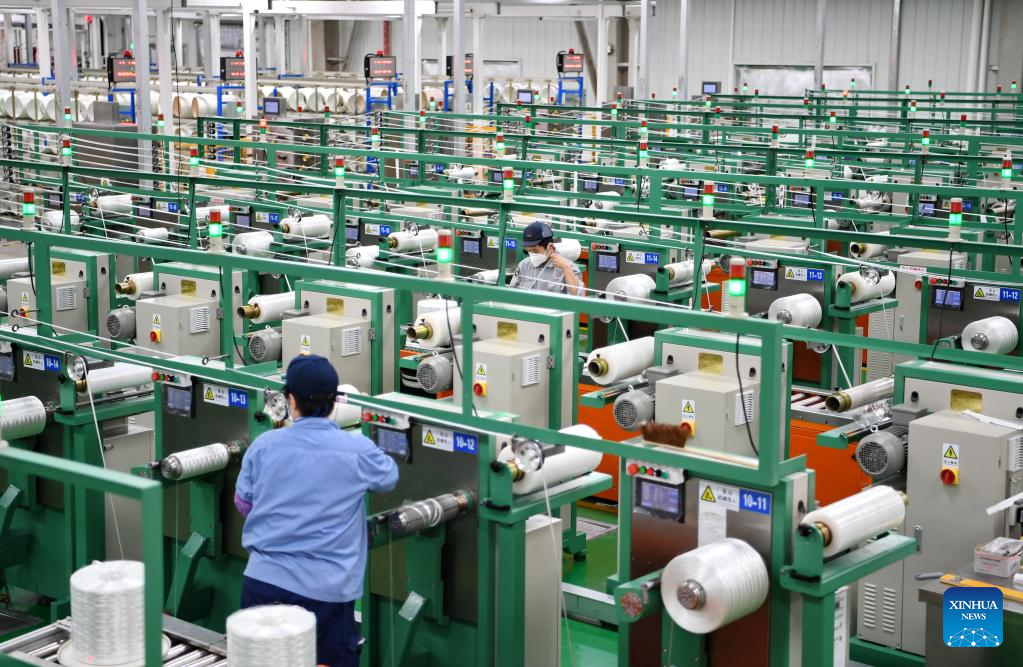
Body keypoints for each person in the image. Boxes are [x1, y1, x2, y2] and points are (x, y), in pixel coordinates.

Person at [235, 355, 398, 667]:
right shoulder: (357, 450)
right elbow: (387, 478)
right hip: (325, 594)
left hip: (262, 583)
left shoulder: (264, 445)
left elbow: (244, 504)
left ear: (290, 400)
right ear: (335, 401)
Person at [508, 221, 585, 296]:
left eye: (535, 251)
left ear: (550, 246)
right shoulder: (523, 265)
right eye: (529, 251)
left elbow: (578, 296)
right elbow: (511, 293)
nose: (532, 254)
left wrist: (566, 268)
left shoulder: (568, 267)